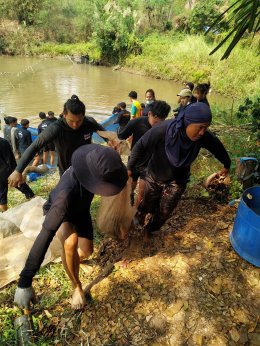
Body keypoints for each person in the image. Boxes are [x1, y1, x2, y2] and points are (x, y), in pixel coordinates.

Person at [14, 144, 128, 310]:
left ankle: (70, 260)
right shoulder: (64, 197)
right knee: (70, 243)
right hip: (64, 211)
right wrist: (24, 282)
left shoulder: (92, 161)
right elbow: (45, 235)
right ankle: (76, 287)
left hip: (81, 209)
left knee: (87, 251)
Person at [128, 102, 231, 242]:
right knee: (145, 205)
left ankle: (149, 230)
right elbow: (140, 146)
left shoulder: (203, 137)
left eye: (206, 128)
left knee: (165, 211)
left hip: (178, 180)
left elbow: (217, 147)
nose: (202, 132)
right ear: (187, 122)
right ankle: (136, 224)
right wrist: (129, 168)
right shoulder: (163, 130)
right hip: (154, 175)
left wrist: (227, 164)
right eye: (200, 127)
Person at [8, 95, 106, 187]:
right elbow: (35, 146)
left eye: (79, 121)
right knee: (68, 196)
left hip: (86, 167)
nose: (75, 125)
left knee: (86, 196)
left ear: (83, 116)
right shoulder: (56, 128)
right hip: (66, 171)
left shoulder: (89, 122)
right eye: (71, 121)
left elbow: (104, 133)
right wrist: (18, 170)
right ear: (64, 115)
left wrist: (111, 140)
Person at [118, 100, 171, 206]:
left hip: (150, 164)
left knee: (142, 192)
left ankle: (137, 212)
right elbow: (121, 135)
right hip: (135, 160)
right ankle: (130, 199)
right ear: (150, 114)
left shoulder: (165, 128)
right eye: (156, 122)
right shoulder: (136, 122)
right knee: (131, 187)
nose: (158, 126)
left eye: (161, 122)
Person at [0, 137, 34, 211]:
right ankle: (35, 206)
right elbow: (10, 161)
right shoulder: (3, 142)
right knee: (26, 190)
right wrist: (18, 172)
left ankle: (5, 215)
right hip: (8, 172)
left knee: (2, 198)